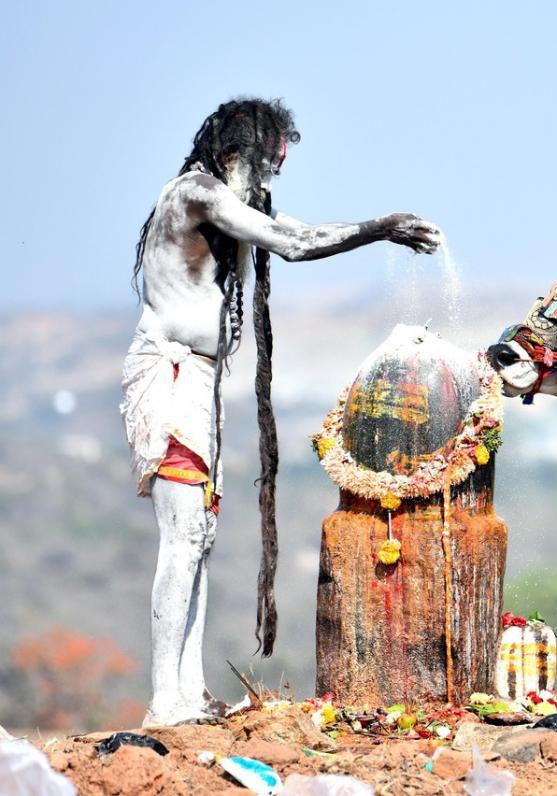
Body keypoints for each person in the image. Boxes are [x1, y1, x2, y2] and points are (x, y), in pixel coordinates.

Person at [120, 97, 440, 726]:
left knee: (199, 538)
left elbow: (299, 233)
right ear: (242, 150)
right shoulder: (197, 193)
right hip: (172, 371)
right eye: (270, 163)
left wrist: (376, 228)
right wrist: (382, 226)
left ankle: (186, 692)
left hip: (201, 383)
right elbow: (291, 243)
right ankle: (165, 701)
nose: (273, 179)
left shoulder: (232, 205)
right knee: (182, 538)